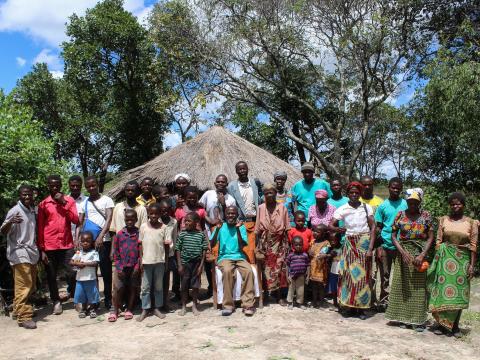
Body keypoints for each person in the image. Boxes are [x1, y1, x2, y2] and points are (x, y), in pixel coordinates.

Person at [428, 192, 478, 338]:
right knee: (442, 292)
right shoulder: (444, 220)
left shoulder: (471, 223)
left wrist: (471, 266)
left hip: (462, 261)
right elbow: (438, 240)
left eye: (458, 203)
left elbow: (473, 246)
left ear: (463, 205)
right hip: (444, 260)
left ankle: (455, 326)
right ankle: (442, 325)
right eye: (453, 204)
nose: (455, 206)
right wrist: (439, 257)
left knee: (459, 294)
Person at [385, 189, 434, 332]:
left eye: (415, 202)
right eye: (410, 202)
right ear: (407, 202)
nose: (412, 205)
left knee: (418, 288)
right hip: (403, 255)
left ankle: (417, 320)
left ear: (419, 202)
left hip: (419, 255)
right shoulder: (400, 215)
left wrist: (422, 254)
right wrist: (403, 252)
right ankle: (402, 318)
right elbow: (393, 236)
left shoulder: (426, 216)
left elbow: (431, 236)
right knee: (403, 286)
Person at [330, 181, 376, 320]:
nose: (354, 195)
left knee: (363, 277)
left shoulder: (367, 208)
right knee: (349, 276)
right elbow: (331, 225)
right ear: (348, 194)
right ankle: (349, 307)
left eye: (357, 193)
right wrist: (338, 229)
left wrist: (370, 248)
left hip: (364, 243)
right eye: (352, 193)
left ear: (360, 193)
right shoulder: (342, 209)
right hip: (350, 244)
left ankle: (361, 309)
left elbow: (373, 227)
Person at [38, 174, 79, 315]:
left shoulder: (69, 201)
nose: (54, 187)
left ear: (61, 186)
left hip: (67, 244)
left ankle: (75, 297)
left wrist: (63, 203)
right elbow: (40, 227)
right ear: (48, 186)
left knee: (73, 272)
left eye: (57, 185)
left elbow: (75, 220)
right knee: (51, 275)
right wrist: (41, 249)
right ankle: (56, 301)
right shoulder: (43, 204)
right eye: (52, 185)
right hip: (49, 246)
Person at [1, 185, 38, 329]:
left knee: (30, 283)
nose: (27, 197)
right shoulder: (15, 211)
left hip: (31, 251)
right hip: (19, 251)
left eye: (29, 194)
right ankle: (24, 317)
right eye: (24, 195)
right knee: (24, 284)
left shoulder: (31, 209)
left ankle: (18, 310)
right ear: (19, 195)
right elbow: (3, 231)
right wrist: (10, 222)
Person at [210, 206, 255, 316]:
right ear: (225, 215)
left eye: (233, 213)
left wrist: (238, 229)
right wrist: (217, 230)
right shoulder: (220, 226)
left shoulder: (241, 227)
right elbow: (211, 244)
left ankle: (248, 304)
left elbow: (242, 246)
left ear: (237, 215)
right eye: (229, 213)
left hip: (239, 256)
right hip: (224, 257)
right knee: (227, 271)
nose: (231, 215)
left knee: (249, 271)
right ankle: (228, 305)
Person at [77, 176, 114, 310]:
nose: (91, 188)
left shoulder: (107, 200)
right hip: (89, 244)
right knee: (92, 273)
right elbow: (80, 223)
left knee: (106, 272)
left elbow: (109, 219)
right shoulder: (84, 202)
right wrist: (78, 239)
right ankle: (95, 300)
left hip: (104, 242)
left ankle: (109, 299)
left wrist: (101, 236)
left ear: (98, 185)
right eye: (88, 186)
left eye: (93, 185)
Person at [199, 174, 236, 298]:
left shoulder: (230, 198)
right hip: (208, 231)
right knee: (209, 259)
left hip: (223, 233)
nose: (220, 183)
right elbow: (200, 210)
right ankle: (211, 287)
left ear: (226, 184)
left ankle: (222, 286)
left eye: (223, 182)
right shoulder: (208, 194)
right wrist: (209, 220)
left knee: (220, 258)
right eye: (218, 181)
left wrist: (223, 204)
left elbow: (231, 216)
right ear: (215, 183)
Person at [374, 177, 407, 308]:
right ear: (388, 187)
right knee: (385, 275)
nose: (395, 190)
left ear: (401, 189)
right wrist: (378, 247)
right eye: (393, 187)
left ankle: (399, 302)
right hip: (385, 245)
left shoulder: (405, 204)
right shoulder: (382, 206)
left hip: (402, 246)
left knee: (400, 276)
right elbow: (378, 227)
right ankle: (384, 301)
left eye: (398, 188)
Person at [255, 184, 290, 305]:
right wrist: (257, 246)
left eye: (271, 193)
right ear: (263, 195)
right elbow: (257, 228)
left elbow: (287, 227)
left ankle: (280, 296)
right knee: (266, 268)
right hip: (265, 243)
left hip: (280, 242)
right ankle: (266, 294)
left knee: (280, 269)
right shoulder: (260, 208)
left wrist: (288, 244)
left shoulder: (282, 208)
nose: (269, 195)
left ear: (276, 193)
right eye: (266, 193)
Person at [137, 203, 168, 322]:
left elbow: (166, 246)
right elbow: (140, 244)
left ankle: (156, 308)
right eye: (151, 213)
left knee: (158, 286)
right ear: (148, 214)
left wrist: (166, 262)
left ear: (160, 214)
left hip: (159, 261)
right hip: (146, 262)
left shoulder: (164, 228)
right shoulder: (143, 227)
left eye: (156, 213)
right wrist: (141, 259)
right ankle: (145, 308)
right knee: (145, 287)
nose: (153, 215)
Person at [109, 209, 141, 322]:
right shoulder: (119, 235)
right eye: (127, 220)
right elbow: (116, 253)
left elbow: (141, 253)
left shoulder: (139, 234)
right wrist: (118, 267)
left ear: (136, 220)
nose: (130, 222)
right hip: (121, 267)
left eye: (132, 219)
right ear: (124, 220)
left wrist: (137, 267)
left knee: (133, 288)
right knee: (118, 288)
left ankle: (129, 308)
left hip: (134, 267)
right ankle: (115, 310)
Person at [227, 161, 262, 264]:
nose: (242, 171)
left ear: (247, 169)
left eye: (244, 168)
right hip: (241, 223)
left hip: (256, 222)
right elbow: (231, 205)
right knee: (245, 250)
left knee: (256, 250)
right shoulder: (232, 186)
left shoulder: (255, 183)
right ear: (236, 171)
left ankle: (255, 276)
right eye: (239, 169)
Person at [175, 212, 208, 316]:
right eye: (185, 221)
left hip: (197, 264)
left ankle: (194, 305)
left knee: (195, 286)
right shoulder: (182, 234)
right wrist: (180, 265)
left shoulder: (201, 234)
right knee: (184, 286)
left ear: (196, 222)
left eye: (189, 221)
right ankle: (184, 306)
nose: (186, 223)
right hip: (185, 264)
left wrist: (201, 265)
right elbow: (178, 249)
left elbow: (204, 250)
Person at [71, 231, 100, 318]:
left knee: (91, 295)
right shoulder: (78, 253)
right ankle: (83, 309)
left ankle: (92, 309)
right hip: (80, 279)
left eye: (88, 241)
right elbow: (71, 261)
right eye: (83, 241)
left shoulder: (94, 252)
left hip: (90, 278)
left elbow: (95, 263)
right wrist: (77, 264)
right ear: (80, 242)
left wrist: (85, 264)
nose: (85, 243)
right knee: (82, 295)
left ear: (92, 242)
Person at [159, 200, 179, 310]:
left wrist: (175, 254)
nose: (165, 213)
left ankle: (165, 302)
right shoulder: (154, 220)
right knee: (157, 279)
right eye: (162, 211)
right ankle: (157, 303)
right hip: (157, 254)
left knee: (166, 279)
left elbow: (175, 239)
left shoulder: (174, 222)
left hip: (170, 254)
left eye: (167, 210)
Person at [308, 224, 330, 308]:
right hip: (313, 267)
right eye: (314, 231)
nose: (315, 233)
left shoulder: (326, 243)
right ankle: (314, 301)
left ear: (324, 233)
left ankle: (321, 301)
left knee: (320, 286)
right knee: (313, 285)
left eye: (318, 232)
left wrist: (323, 255)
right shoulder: (313, 241)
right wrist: (309, 252)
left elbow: (324, 253)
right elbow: (309, 250)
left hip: (321, 268)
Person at [286, 236, 310, 310]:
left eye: (300, 244)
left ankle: (299, 303)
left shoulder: (305, 255)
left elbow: (308, 265)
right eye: (296, 245)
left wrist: (308, 275)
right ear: (293, 245)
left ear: (303, 245)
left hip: (301, 276)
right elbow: (287, 265)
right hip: (292, 275)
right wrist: (287, 276)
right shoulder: (291, 255)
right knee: (291, 289)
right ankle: (290, 303)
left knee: (300, 290)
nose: (298, 246)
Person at [68, 175, 86, 244]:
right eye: (73, 186)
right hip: (68, 240)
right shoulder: (64, 201)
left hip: (84, 240)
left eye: (77, 185)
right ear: (69, 185)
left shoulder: (87, 201)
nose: (75, 188)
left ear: (81, 185)